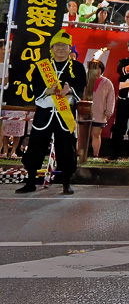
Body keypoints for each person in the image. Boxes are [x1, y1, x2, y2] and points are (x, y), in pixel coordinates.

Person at [16, 30, 87, 194]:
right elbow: (35, 87)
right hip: (44, 113)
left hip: (65, 114)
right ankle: (31, 182)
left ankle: (66, 183)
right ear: (52, 48)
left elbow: (80, 87)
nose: (61, 49)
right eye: (58, 46)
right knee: (35, 146)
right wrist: (47, 91)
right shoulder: (42, 66)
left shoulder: (77, 67)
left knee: (67, 148)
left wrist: (69, 92)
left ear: (70, 49)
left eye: (64, 46)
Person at [87, 61, 114, 158]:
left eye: (98, 68)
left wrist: (108, 111)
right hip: (84, 113)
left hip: (99, 113)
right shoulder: (84, 80)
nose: (96, 70)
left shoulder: (107, 83)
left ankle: (95, 155)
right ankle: (80, 154)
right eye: (93, 68)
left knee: (96, 134)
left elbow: (110, 99)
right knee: (83, 135)